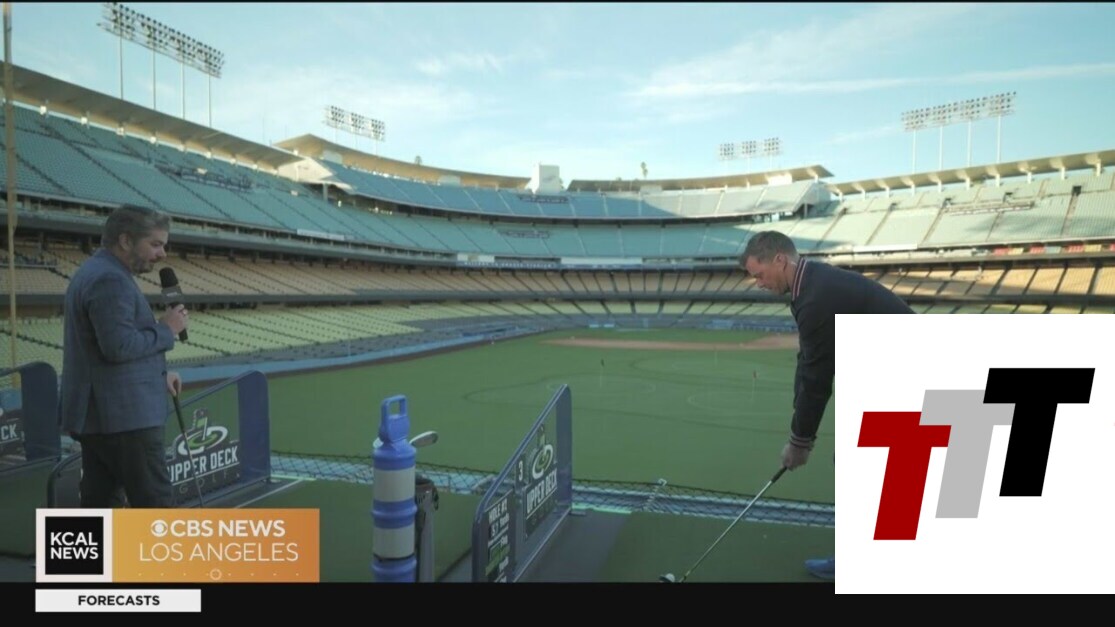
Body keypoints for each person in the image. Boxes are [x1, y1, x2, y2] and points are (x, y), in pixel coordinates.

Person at [740, 231, 913, 581]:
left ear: (780, 260)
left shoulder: (816, 296)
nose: (758, 283)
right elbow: (808, 361)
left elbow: (818, 379)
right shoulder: (809, 285)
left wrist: (800, 442)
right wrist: (798, 427)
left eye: (759, 274)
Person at [60, 205, 189, 508]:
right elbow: (118, 346)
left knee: (99, 503)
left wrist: (158, 374)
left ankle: (83, 545)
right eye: (155, 244)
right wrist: (166, 330)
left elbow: (105, 349)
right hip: (125, 419)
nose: (162, 254)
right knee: (155, 507)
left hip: (103, 418)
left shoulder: (95, 271)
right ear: (126, 240)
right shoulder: (111, 280)